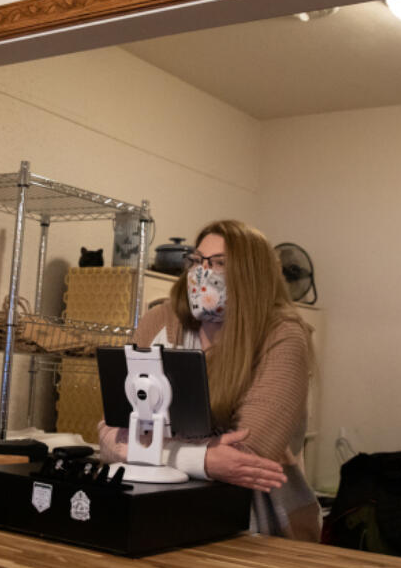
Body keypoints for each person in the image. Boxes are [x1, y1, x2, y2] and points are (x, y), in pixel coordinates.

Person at [98, 219, 321, 542]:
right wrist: (201, 458)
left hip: (255, 528)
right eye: (197, 261)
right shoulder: (158, 321)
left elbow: (246, 458)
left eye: (219, 263)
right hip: (158, 513)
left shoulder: (282, 335)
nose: (202, 272)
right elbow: (110, 430)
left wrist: (144, 446)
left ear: (251, 273)